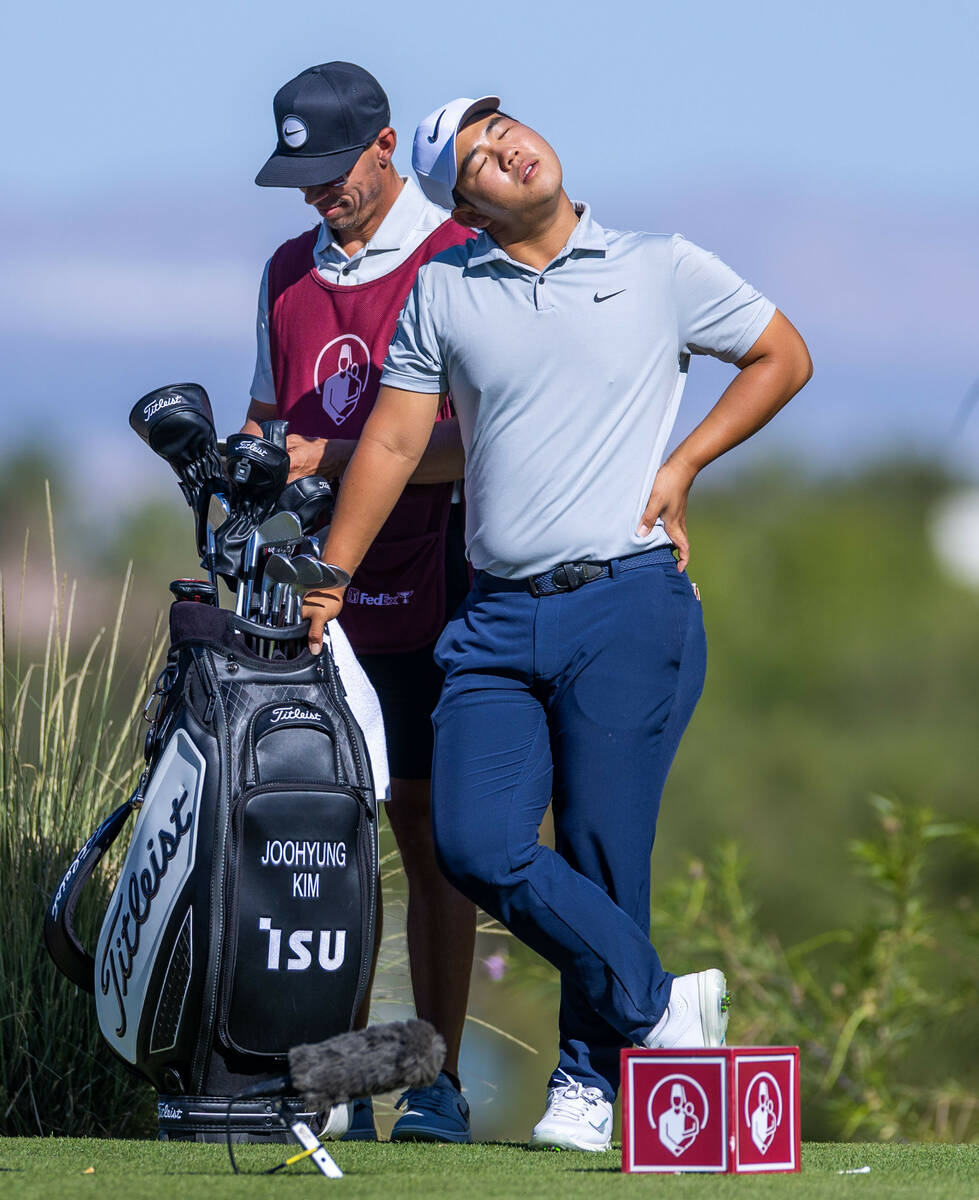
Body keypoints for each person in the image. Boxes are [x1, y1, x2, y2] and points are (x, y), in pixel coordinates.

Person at [303, 95, 812, 1151]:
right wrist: (331, 577)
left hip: (627, 602)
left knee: (599, 848)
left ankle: (592, 1084)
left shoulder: (657, 264)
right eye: (478, 159)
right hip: (493, 618)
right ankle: (658, 1004)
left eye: (506, 130)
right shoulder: (445, 288)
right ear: (464, 205)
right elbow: (394, 448)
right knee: (475, 843)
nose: (507, 149)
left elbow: (780, 356)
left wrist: (682, 466)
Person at [244, 62, 476, 1143]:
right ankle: (319, 1069)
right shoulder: (288, 270)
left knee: (430, 837)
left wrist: (325, 455)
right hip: (308, 600)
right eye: (302, 175)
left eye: (333, 171)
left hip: (434, 586)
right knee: (314, 834)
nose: (316, 194)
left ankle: (434, 1078)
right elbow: (268, 413)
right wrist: (249, 461)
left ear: (386, 146)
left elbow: (470, 442)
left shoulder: (458, 257)